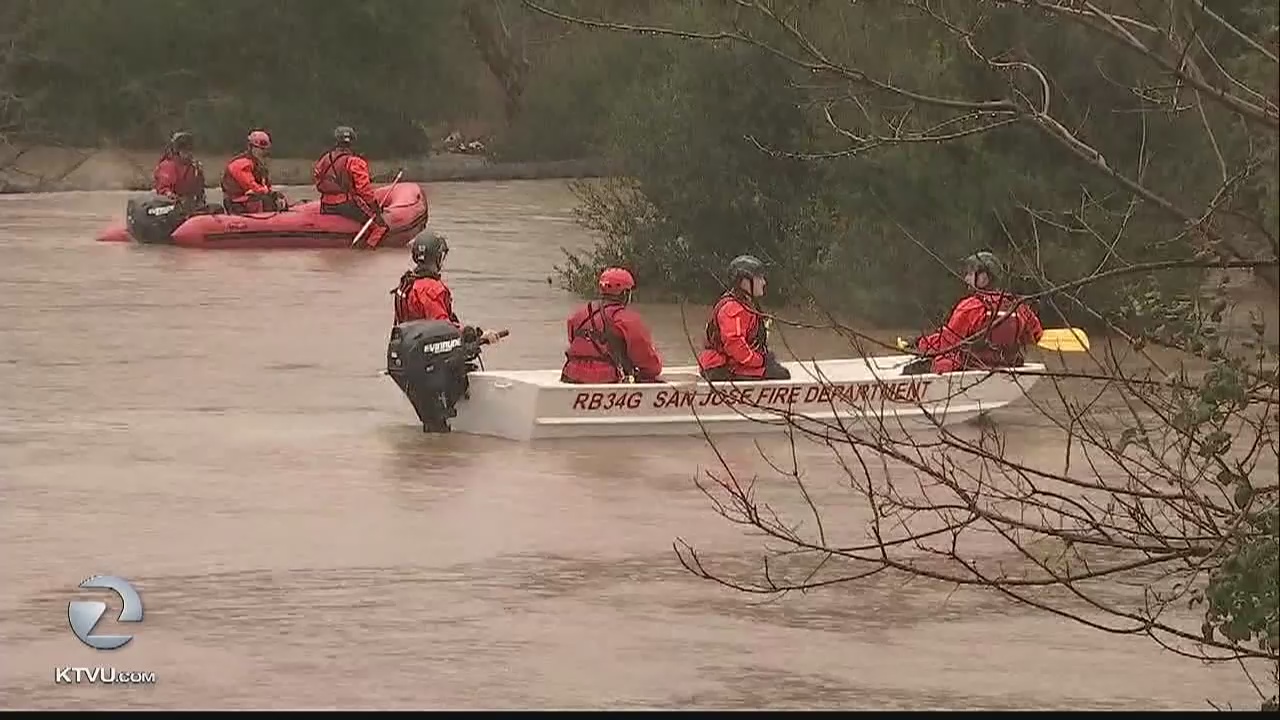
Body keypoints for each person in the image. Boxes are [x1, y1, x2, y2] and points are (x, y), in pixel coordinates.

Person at [903, 251, 1045, 375]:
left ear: (984, 278)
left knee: (936, 363)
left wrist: (919, 344)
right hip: (1008, 365)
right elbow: (1035, 335)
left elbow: (947, 342)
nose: (966, 279)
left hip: (972, 367)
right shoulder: (1018, 306)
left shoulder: (971, 307)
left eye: (970, 274)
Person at [392, 231, 500, 344]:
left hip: (411, 347)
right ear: (437, 257)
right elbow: (443, 329)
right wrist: (477, 335)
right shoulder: (431, 290)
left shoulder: (408, 282)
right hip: (430, 355)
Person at [561, 267, 664, 384]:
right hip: (606, 379)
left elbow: (575, 342)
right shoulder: (627, 320)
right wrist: (651, 371)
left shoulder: (578, 316)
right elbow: (647, 361)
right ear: (625, 293)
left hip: (571, 375)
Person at [698, 254, 791, 382]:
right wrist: (760, 361)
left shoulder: (746, 304)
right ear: (745, 282)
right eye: (759, 278)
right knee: (780, 374)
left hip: (730, 363)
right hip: (719, 368)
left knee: (773, 364)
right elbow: (735, 346)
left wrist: (764, 358)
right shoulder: (733, 309)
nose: (764, 282)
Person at [313, 125, 389, 248]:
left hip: (326, 205)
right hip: (346, 205)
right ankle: (368, 249)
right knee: (380, 226)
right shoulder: (355, 161)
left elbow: (317, 177)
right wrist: (375, 208)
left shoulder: (325, 159)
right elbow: (364, 190)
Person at [220, 129, 285, 214]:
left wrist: (274, 194)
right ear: (251, 147)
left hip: (248, 200)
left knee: (274, 198)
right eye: (260, 149)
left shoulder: (260, 166)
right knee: (265, 200)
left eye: (265, 150)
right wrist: (268, 192)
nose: (263, 153)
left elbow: (265, 186)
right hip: (236, 203)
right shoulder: (241, 164)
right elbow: (251, 186)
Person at [152, 131, 208, 212]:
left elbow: (199, 191)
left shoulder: (194, 167)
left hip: (189, 205)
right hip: (170, 207)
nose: (189, 154)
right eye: (185, 151)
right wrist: (172, 196)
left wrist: (199, 176)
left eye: (190, 150)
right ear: (177, 151)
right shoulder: (168, 166)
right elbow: (163, 189)